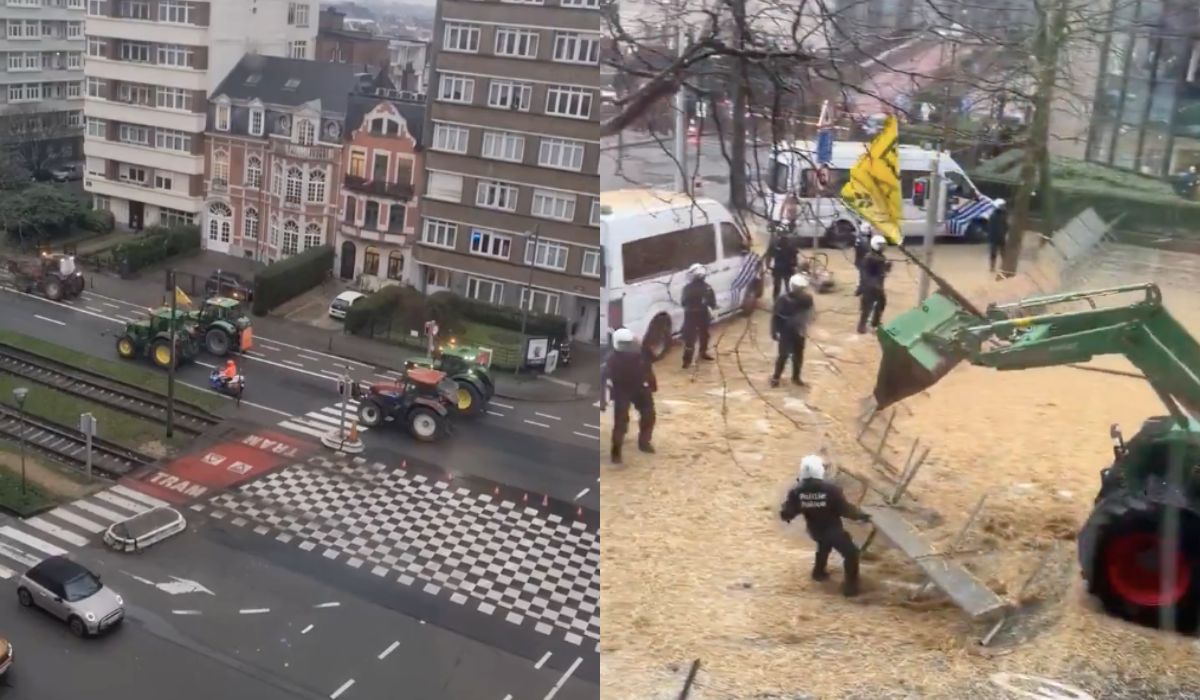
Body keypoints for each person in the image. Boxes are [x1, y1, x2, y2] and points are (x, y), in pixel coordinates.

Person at [779, 454, 872, 597]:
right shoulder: (831, 490)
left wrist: (787, 512)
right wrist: (861, 516)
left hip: (814, 530)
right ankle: (851, 589)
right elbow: (845, 510)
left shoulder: (797, 491)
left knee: (823, 545)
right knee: (851, 553)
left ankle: (818, 572)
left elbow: (788, 513)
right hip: (832, 529)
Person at [602, 328, 657, 463]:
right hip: (621, 390)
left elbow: (648, 367)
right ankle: (616, 452)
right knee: (620, 422)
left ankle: (644, 442)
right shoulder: (611, 359)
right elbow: (602, 379)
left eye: (630, 343)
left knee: (649, 415)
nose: (629, 347)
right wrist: (603, 399)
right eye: (625, 344)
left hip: (640, 387)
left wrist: (652, 384)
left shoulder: (641, 351)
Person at [769, 273, 814, 388]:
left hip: (798, 331)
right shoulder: (783, 300)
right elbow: (776, 316)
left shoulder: (807, 300)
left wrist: (804, 327)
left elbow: (809, 315)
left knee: (798, 355)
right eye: (797, 287)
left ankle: (796, 377)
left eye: (800, 288)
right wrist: (774, 331)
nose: (798, 290)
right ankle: (776, 377)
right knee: (783, 355)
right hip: (786, 331)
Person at [680, 263, 717, 369]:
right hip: (703, 314)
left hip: (690, 315)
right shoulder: (708, 288)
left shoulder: (687, 288)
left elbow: (683, 302)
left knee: (689, 338)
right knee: (704, 334)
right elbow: (713, 304)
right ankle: (703, 353)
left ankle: (686, 361)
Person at [857, 235, 891, 334]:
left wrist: (887, 266)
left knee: (881, 304)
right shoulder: (870, 258)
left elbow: (883, 271)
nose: (883, 247)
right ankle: (861, 326)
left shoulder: (881, 257)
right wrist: (868, 285)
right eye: (881, 245)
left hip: (878, 286)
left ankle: (875, 324)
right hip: (870, 286)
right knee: (867, 307)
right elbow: (864, 273)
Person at [767, 228, 799, 300]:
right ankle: (782, 300)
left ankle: (781, 300)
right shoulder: (789, 243)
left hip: (784, 268)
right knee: (784, 286)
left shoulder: (775, 243)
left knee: (784, 286)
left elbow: (769, 255)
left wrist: (768, 266)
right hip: (783, 268)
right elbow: (795, 257)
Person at [987, 198, 1008, 273]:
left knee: (1003, 253)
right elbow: (991, 227)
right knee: (994, 253)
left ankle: (1003, 267)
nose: (1004, 207)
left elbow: (1005, 226)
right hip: (994, 237)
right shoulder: (994, 216)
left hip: (1000, 237)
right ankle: (992, 267)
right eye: (1002, 205)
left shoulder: (1004, 214)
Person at [853, 221, 872, 296]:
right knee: (861, 276)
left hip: (865, 261)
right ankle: (860, 289)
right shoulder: (860, 239)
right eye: (868, 229)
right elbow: (866, 248)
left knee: (864, 276)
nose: (869, 230)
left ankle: (863, 289)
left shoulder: (864, 237)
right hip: (861, 261)